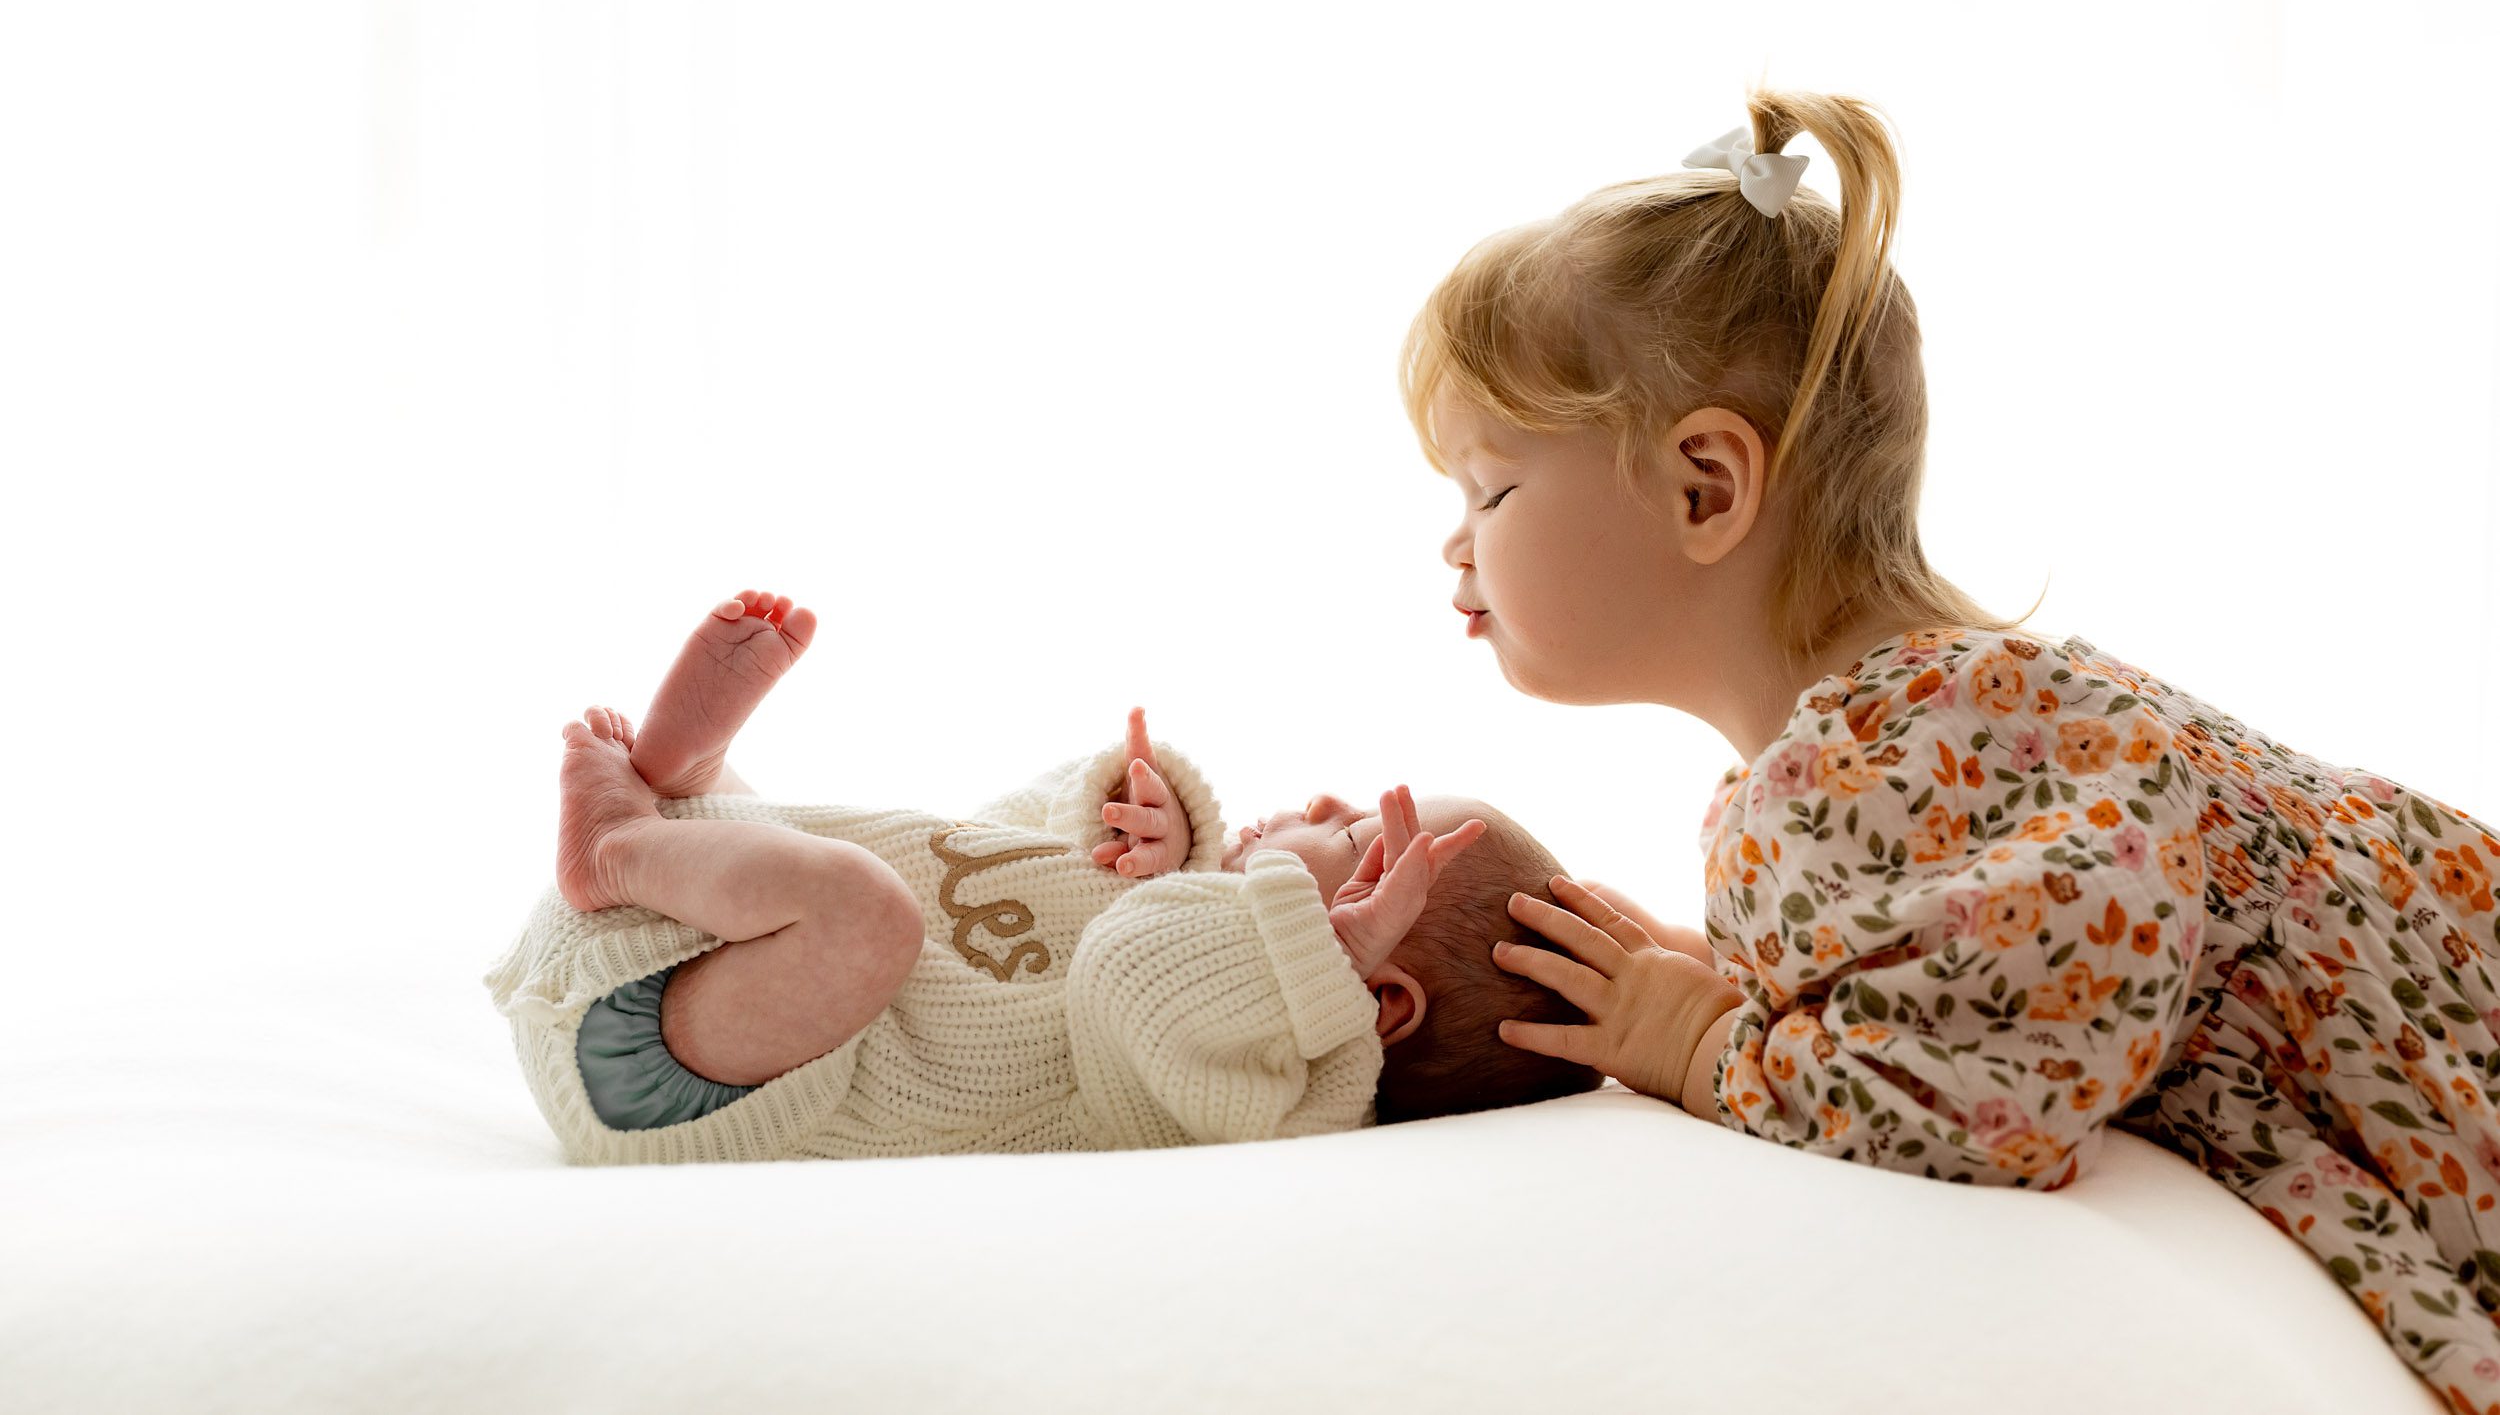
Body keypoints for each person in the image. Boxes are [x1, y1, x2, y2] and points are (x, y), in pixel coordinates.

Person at [1400, 86, 2500, 1409]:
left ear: (1706, 486)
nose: (1456, 543)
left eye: (1493, 488)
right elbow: (1997, 966)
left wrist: (1697, 1040)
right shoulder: (1928, 726)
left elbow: (1988, 1095)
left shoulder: (1878, 766)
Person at [481, 590, 1600, 1166]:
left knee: (859, 911)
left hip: (681, 1077)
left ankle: (620, 844)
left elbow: (1132, 973)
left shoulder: (1272, 1082)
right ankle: (693, 789)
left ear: (1380, 997)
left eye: (1350, 837)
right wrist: (1121, 814)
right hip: (700, 959)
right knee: (861, 868)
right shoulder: (1202, 908)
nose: (1315, 803)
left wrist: (1313, 962)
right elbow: (990, 835)